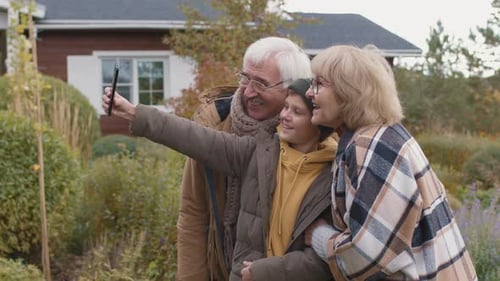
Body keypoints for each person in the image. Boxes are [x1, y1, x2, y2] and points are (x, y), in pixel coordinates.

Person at [102, 79, 337, 281]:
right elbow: (197, 138)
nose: (284, 116)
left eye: (297, 112)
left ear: (317, 122)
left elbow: (324, 260)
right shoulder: (259, 151)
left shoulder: (334, 175)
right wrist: (134, 113)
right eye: (285, 107)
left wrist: (264, 271)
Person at [304, 45, 477, 281]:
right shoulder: (382, 135)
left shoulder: (371, 146)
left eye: (319, 84)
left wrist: (318, 235)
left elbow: (368, 255)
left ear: (348, 91)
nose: (308, 93)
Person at [174, 37, 312, 281]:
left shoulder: (309, 141)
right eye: (245, 78)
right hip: (220, 269)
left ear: (292, 88)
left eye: (260, 83)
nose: (248, 92)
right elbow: (193, 214)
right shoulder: (215, 127)